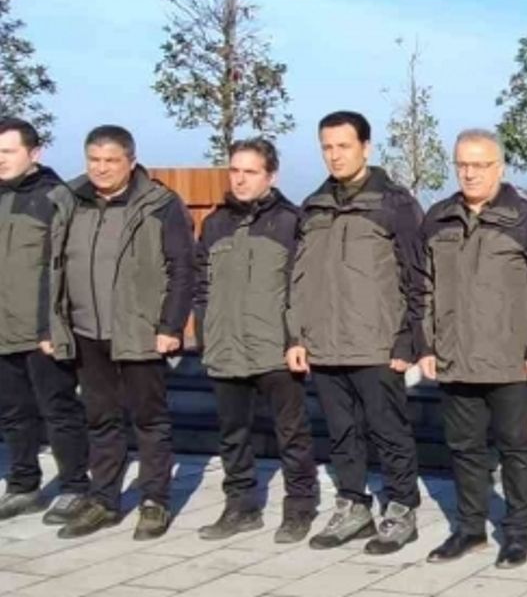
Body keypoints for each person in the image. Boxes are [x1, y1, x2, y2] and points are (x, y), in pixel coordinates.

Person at [420, 129, 527, 569]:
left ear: (499, 168)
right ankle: (469, 529)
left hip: (510, 357)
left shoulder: (526, 218)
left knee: (514, 446)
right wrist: (425, 344)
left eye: (480, 165)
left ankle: (517, 533)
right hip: (454, 355)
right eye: (463, 164)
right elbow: (423, 287)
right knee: (463, 447)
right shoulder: (438, 217)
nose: (470, 173)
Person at [286, 111, 425, 555]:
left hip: (377, 344)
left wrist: (408, 340)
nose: (334, 155)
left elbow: (417, 276)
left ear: (366, 147)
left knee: (389, 430)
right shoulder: (313, 206)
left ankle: (402, 507)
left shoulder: (395, 204)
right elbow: (299, 277)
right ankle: (353, 505)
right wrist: (297, 337)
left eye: (343, 146)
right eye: (326, 147)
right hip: (324, 344)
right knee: (342, 431)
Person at [57, 125, 195, 540]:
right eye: (94, 160)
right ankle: (104, 499)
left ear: (130, 162)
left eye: (111, 160)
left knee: (149, 419)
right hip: (86, 329)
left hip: (140, 331)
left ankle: (154, 501)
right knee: (100, 418)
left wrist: (171, 325)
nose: (101, 169)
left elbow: (182, 268)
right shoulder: (70, 201)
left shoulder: (159, 203)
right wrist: (55, 323)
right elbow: (54, 266)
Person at [193, 138, 318, 543]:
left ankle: (299, 508)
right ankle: (240, 507)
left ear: (271, 175)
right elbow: (200, 284)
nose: (241, 179)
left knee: (292, 434)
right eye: (235, 170)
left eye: (250, 171)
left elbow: (302, 287)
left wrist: (296, 337)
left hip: (275, 349)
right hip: (225, 347)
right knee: (233, 435)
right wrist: (204, 328)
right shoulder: (214, 224)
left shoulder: (290, 221)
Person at [0, 117, 91, 525]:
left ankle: (75, 487)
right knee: (13, 412)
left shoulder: (56, 198)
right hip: (2, 329)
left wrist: (52, 325)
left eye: (8, 152)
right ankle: (23, 485)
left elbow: (67, 268)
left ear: (34, 153)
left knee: (59, 409)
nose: (0, 161)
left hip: (43, 331)